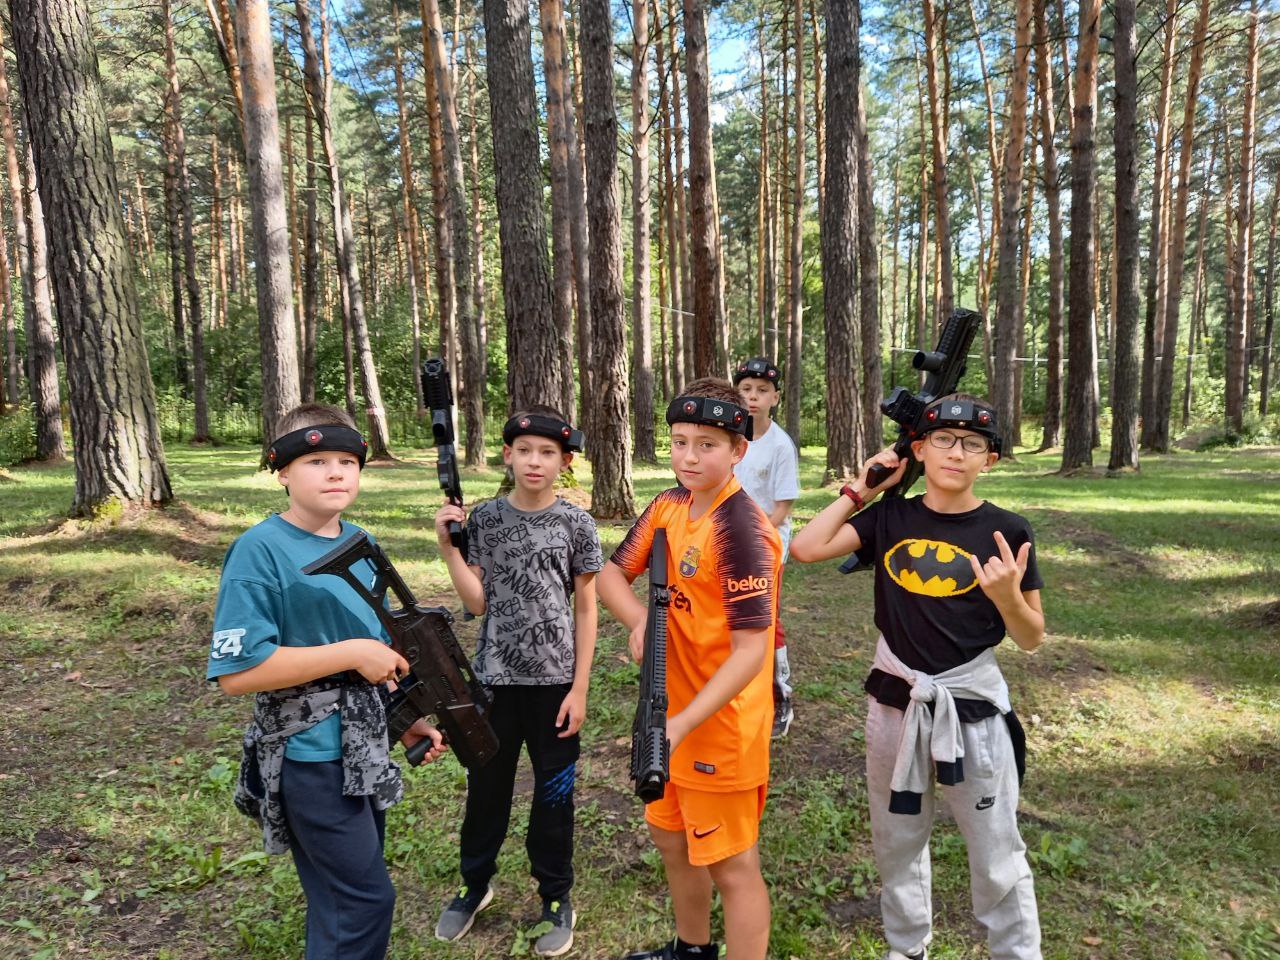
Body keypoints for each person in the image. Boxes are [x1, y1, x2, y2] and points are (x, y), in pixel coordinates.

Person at [790, 393, 1045, 960]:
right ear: (920, 449)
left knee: (996, 848)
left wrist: (1008, 597)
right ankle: (906, 948)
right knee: (896, 839)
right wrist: (862, 490)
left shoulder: (1006, 530)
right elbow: (805, 548)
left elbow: (1031, 637)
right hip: (896, 703)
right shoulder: (890, 518)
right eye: (943, 440)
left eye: (972, 444)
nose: (956, 453)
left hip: (970, 710)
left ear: (990, 460)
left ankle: (1016, 952)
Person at [207, 402, 447, 960]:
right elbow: (237, 673)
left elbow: (376, 652)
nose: (336, 473)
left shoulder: (360, 544)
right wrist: (351, 653)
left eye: (347, 461)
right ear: (282, 471)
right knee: (362, 903)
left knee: (341, 902)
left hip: (363, 749)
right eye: (316, 461)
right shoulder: (259, 551)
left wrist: (405, 720)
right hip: (309, 758)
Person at [599, 378, 782, 960]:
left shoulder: (742, 530)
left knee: (732, 865)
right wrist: (640, 621)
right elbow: (611, 575)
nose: (690, 458)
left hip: (719, 727)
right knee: (671, 837)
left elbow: (750, 652)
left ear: (738, 450)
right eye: (680, 442)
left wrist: (681, 725)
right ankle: (692, 949)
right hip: (667, 711)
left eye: (707, 445)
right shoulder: (668, 506)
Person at [432, 405, 603, 958]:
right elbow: (477, 601)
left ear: (565, 462)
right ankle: (474, 884)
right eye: (524, 450)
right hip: (494, 684)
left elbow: (586, 609)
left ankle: (555, 895)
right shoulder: (484, 519)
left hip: (555, 687)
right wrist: (449, 550)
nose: (535, 461)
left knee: (554, 797)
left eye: (548, 452)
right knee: (486, 791)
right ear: (507, 455)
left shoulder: (576, 523)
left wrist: (579, 688)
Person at [733, 357, 801, 738]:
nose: (753, 397)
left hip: (765, 543)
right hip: (726, 541)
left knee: (764, 621)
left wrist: (751, 537)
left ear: (775, 397)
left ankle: (779, 697)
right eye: (746, 389)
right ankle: (737, 690)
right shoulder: (730, 438)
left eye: (762, 391)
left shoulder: (780, 445)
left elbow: (781, 509)